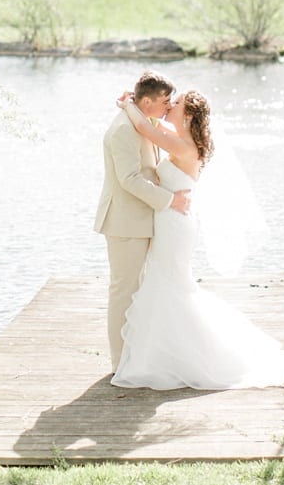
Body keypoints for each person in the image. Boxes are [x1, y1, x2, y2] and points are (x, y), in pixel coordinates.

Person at [110, 88, 284, 390]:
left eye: (175, 104)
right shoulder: (180, 137)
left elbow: (143, 126)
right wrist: (139, 107)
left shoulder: (183, 145)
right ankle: (158, 354)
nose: (170, 106)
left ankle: (179, 356)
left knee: (170, 286)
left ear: (188, 115)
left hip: (174, 225)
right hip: (171, 221)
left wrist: (128, 105)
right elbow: (152, 124)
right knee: (166, 285)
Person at [95, 70, 191, 370]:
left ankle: (137, 355)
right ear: (147, 101)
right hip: (125, 222)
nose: (168, 106)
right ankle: (119, 363)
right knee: (123, 291)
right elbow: (129, 179)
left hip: (142, 219)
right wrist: (169, 200)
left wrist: (130, 105)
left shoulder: (140, 120)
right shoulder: (124, 129)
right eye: (165, 101)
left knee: (139, 290)